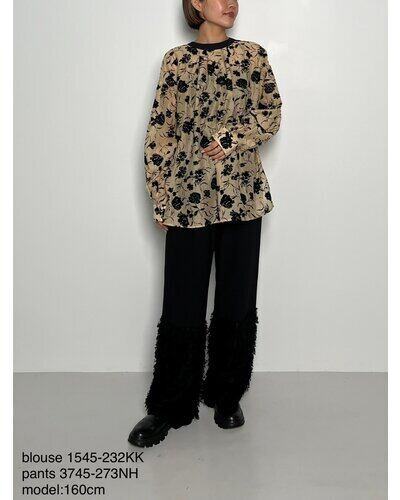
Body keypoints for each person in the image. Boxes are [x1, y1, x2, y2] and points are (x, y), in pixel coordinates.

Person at [128, 0, 282, 448]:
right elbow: (160, 131)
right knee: (182, 302)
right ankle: (169, 405)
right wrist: (160, 196)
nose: (230, 3)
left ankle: (226, 394)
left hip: (242, 197)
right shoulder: (175, 61)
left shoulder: (252, 55)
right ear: (196, 2)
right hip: (186, 199)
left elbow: (271, 112)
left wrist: (231, 138)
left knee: (237, 299)